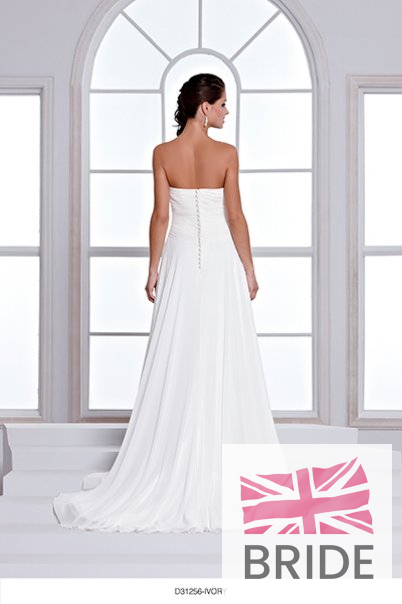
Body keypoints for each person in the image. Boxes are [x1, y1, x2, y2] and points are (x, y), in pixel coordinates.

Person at [52, 73, 282, 533]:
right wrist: (250, 269)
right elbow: (235, 216)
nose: (227, 112)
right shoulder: (226, 155)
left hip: (178, 259)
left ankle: (172, 464)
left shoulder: (163, 153)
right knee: (219, 352)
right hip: (219, 261)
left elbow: (160, 216)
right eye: (223, 104)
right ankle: (210, 459)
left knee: (180, 351)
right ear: (205, 108)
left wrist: (153, 267)